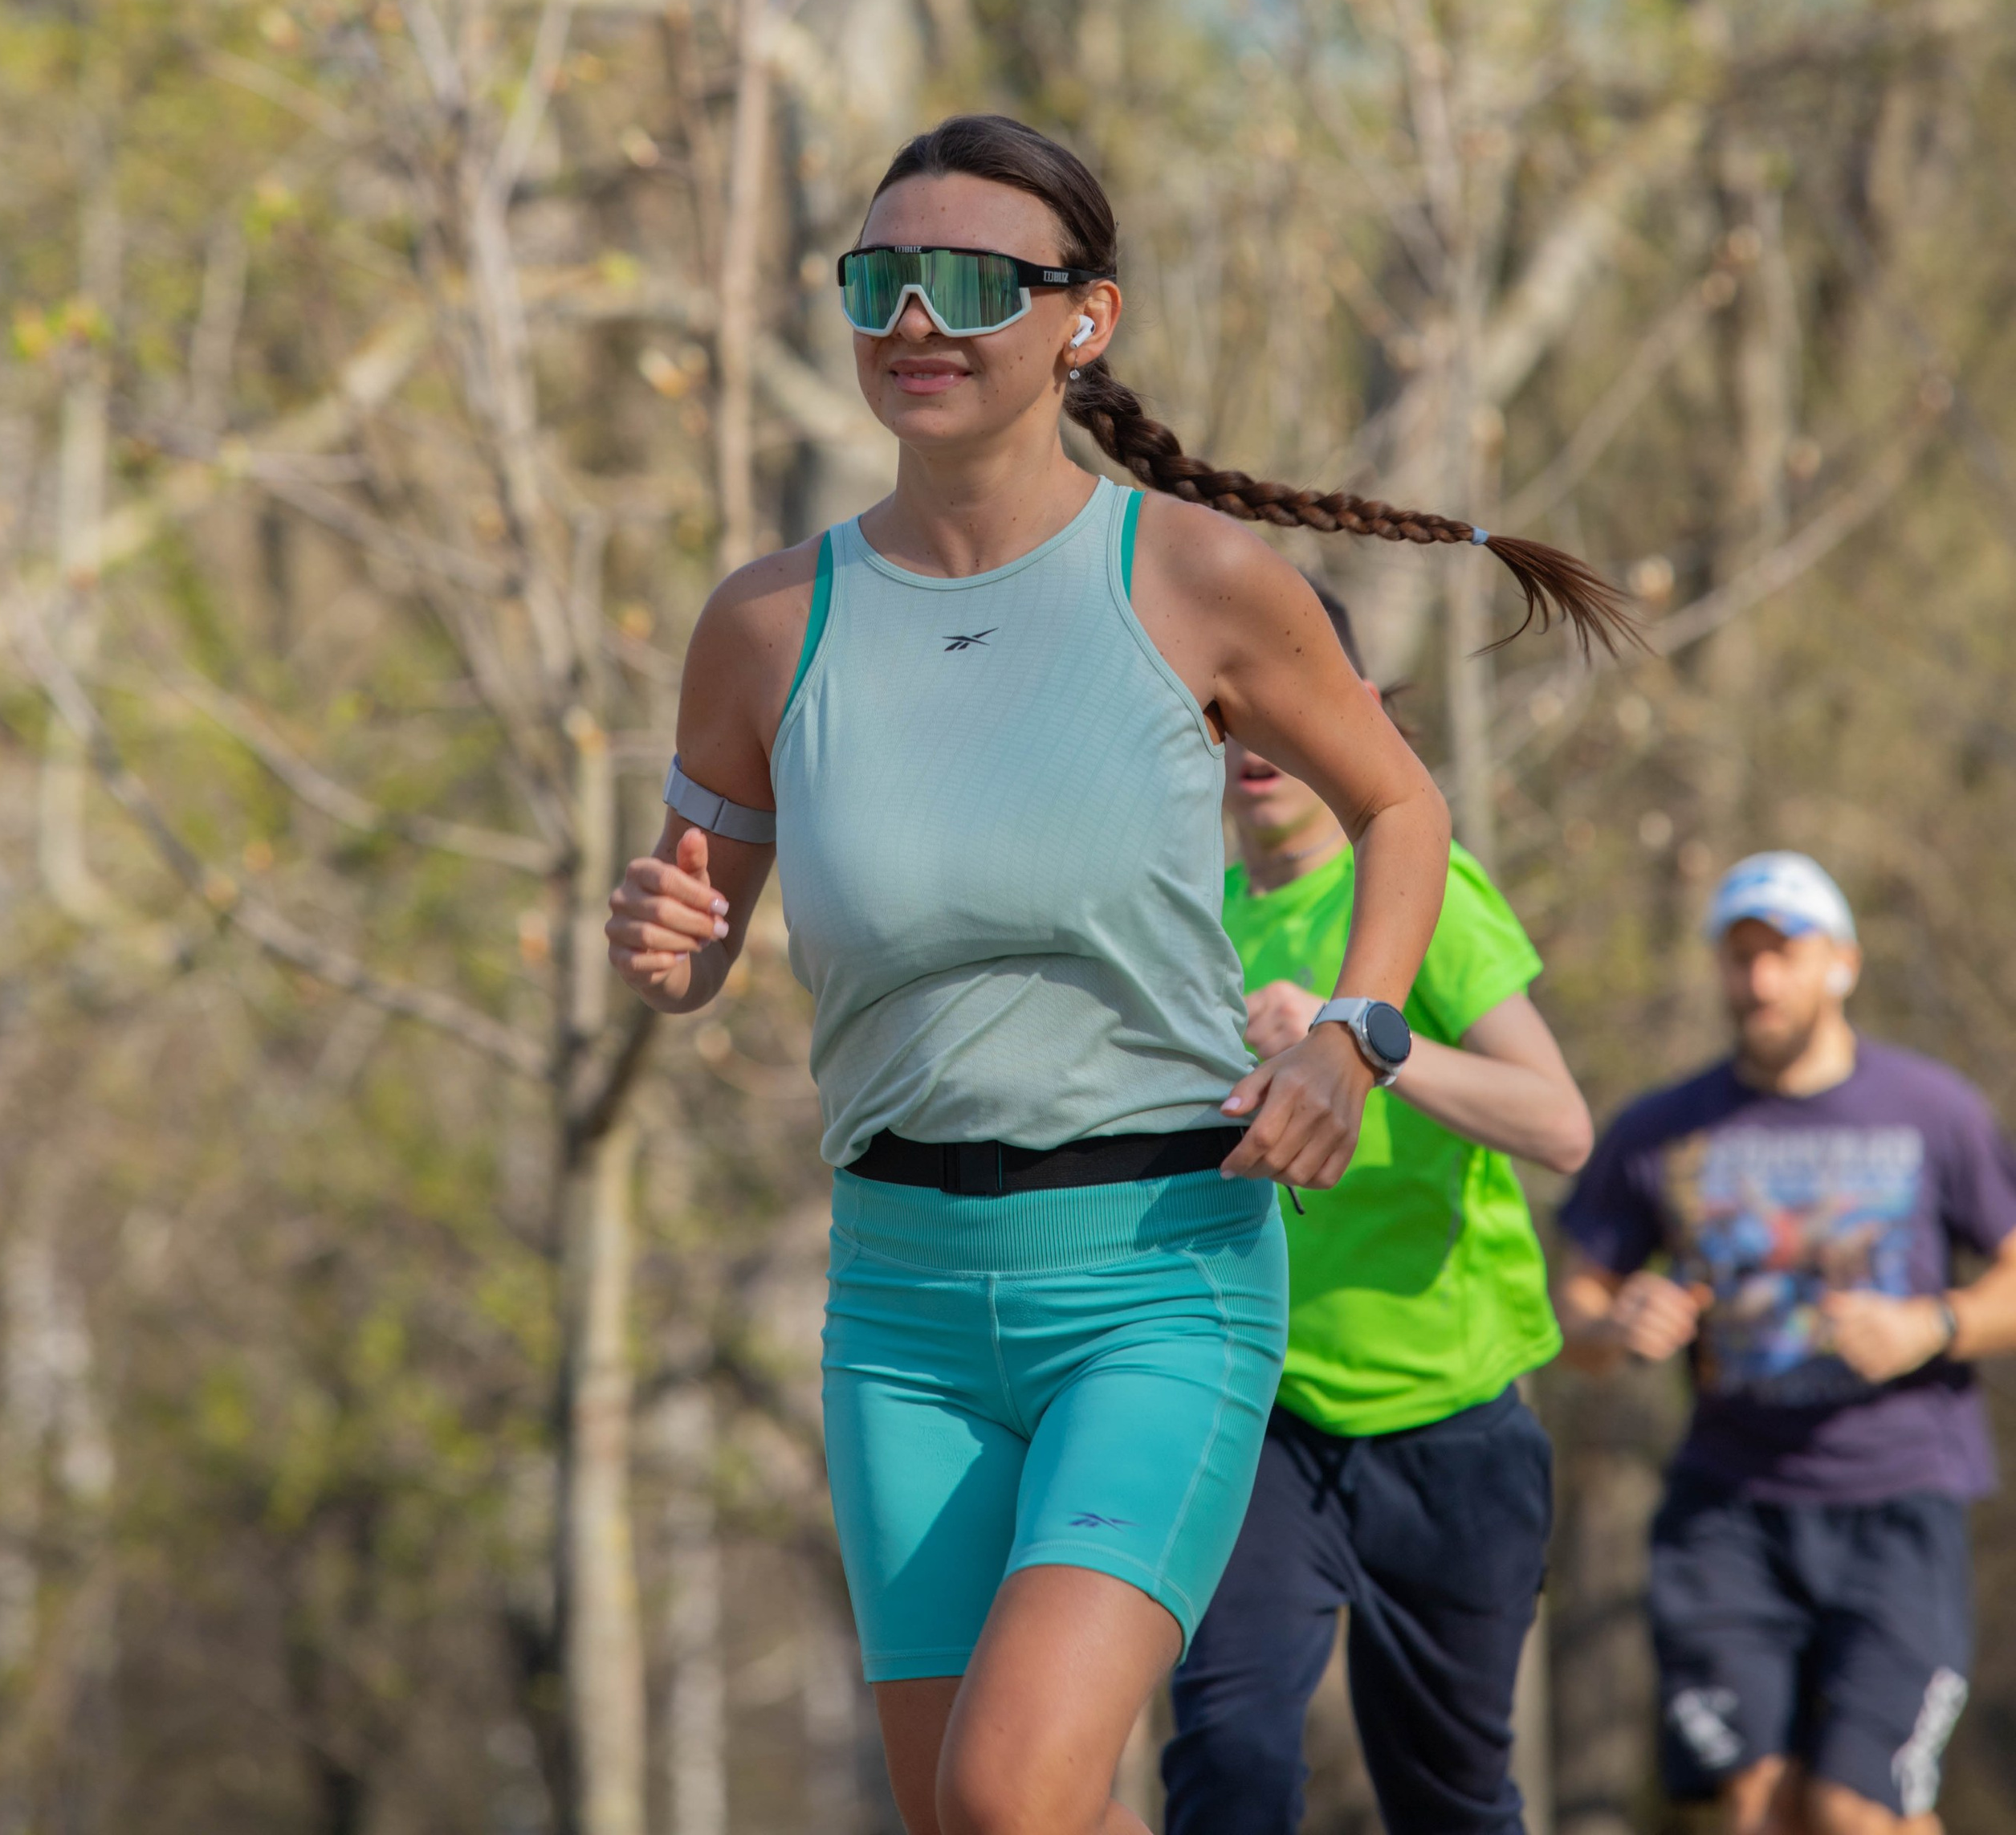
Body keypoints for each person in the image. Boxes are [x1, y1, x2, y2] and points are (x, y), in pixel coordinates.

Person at [605, 113, 1631, 1835]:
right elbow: (695, 935)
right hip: (898, 1304)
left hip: (1151, 1283)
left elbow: (1398, 802)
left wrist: (1360, 1037)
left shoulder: (1194, 579)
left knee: (1013, 1793)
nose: (912, 319)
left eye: (969, 284)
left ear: (1085, 320)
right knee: (983, 1818)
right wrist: (667, 949)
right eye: (878, 280)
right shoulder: (765, 625)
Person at [1163, 590, 1594, 1835]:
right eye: (1221, 708)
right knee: (1229, 1758)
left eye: (1281, 705)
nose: (1253, 739)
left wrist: (1362, 1039)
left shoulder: (1420, 895)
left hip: (1449, 1424)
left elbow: (1559, 1124)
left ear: (1356, 716)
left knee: (1447, 1802)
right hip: (1262, 1422)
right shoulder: (1189, 926)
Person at [1558, 850, 2016, 1835]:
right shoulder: (1659, 1129)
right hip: (1728, 1507)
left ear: (1841, 963)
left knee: (1856, 1807)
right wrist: (1614, 1320)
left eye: (1784, 953)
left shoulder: (1933, 1112)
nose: (1759, 979)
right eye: (1739, 956)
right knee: (1758, 1805)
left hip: (1899, 1502)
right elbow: (1573, 1309)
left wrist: (1931, 1324)